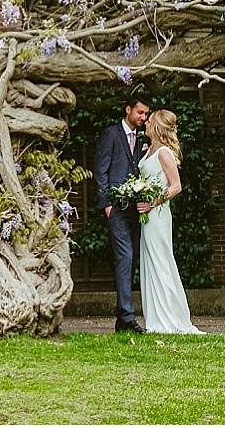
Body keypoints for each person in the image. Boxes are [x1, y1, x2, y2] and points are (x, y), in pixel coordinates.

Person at [135, 109, 204, 334]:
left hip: (158, 215)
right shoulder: (149, 149)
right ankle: (155, 318)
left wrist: (152, 203)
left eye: (150, 119)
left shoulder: (164, 152)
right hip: (148, 216)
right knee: (150, 263)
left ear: (157, 125)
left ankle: (169, 318)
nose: (145, 122)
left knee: (161, 262)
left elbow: (176, 186)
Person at [94, 94, 150, 333]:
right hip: (116, 208)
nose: (143, 117)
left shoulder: (142, 139)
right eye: (140, 113)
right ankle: (127, 316)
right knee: (125, 256)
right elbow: (100, 170)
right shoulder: (111, 134)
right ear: (128, 110)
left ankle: (122, 316)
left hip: (135, 208)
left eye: (146, 114)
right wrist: (106, 203)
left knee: (132, 257)